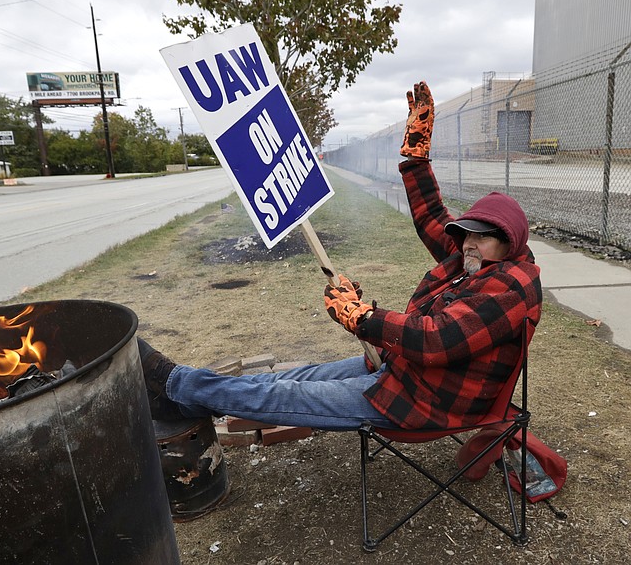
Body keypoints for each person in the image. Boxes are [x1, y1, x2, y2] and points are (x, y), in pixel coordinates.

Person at [138, 81, 543, 431]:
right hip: (403, 370)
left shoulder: (512, 286)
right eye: (465, 234)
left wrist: (363, 317)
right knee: (289, 382)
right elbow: (433, 216)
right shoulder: (474, 258)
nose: (467, 243)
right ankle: (182, 401)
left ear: (510, 241)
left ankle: (173, 383)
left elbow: (436, 340)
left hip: (427, 402)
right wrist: (415, 159)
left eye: (481, 237)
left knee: (279, 399)